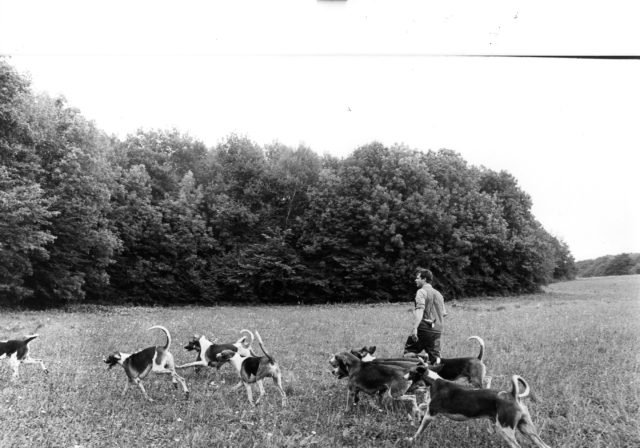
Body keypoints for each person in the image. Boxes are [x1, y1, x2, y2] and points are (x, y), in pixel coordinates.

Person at [403, 268, 446, 363]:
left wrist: (415, 328)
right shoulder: (439, 294)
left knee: (408, 354)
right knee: (435, 359)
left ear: (424, 279)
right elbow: (443, 313)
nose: (415, 280)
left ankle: (422, 359)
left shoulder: (421, 292)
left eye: (418, 278)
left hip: (424, 328)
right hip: (437, 330)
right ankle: (435, 375)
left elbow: (420, 310)